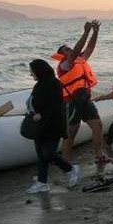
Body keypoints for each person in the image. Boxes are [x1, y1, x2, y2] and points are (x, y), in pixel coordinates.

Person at [52, 21, 105, 169]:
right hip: (72, 101)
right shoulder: (64, 65)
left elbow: (90, 47)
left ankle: (99, 156)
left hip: (85, 99)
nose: (70, 50)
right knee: (71, 133)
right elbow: (77, 50)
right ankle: (67, 164)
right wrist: (86, 32)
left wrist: (95, 32)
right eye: (66, 49)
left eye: (69, 48)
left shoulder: (79, 60)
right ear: (61, 55)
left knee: (98, 126)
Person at [25, 59, 79, 194]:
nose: (31, 74)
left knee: (49, 153)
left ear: (39, 71)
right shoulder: (39, 85)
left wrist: (41, 114)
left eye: (32, 71)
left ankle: (70, 169)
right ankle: (42, 183)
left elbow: (56, 105)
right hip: (39, 126)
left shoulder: (54, 84)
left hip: (53, 125)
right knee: (41, 155)